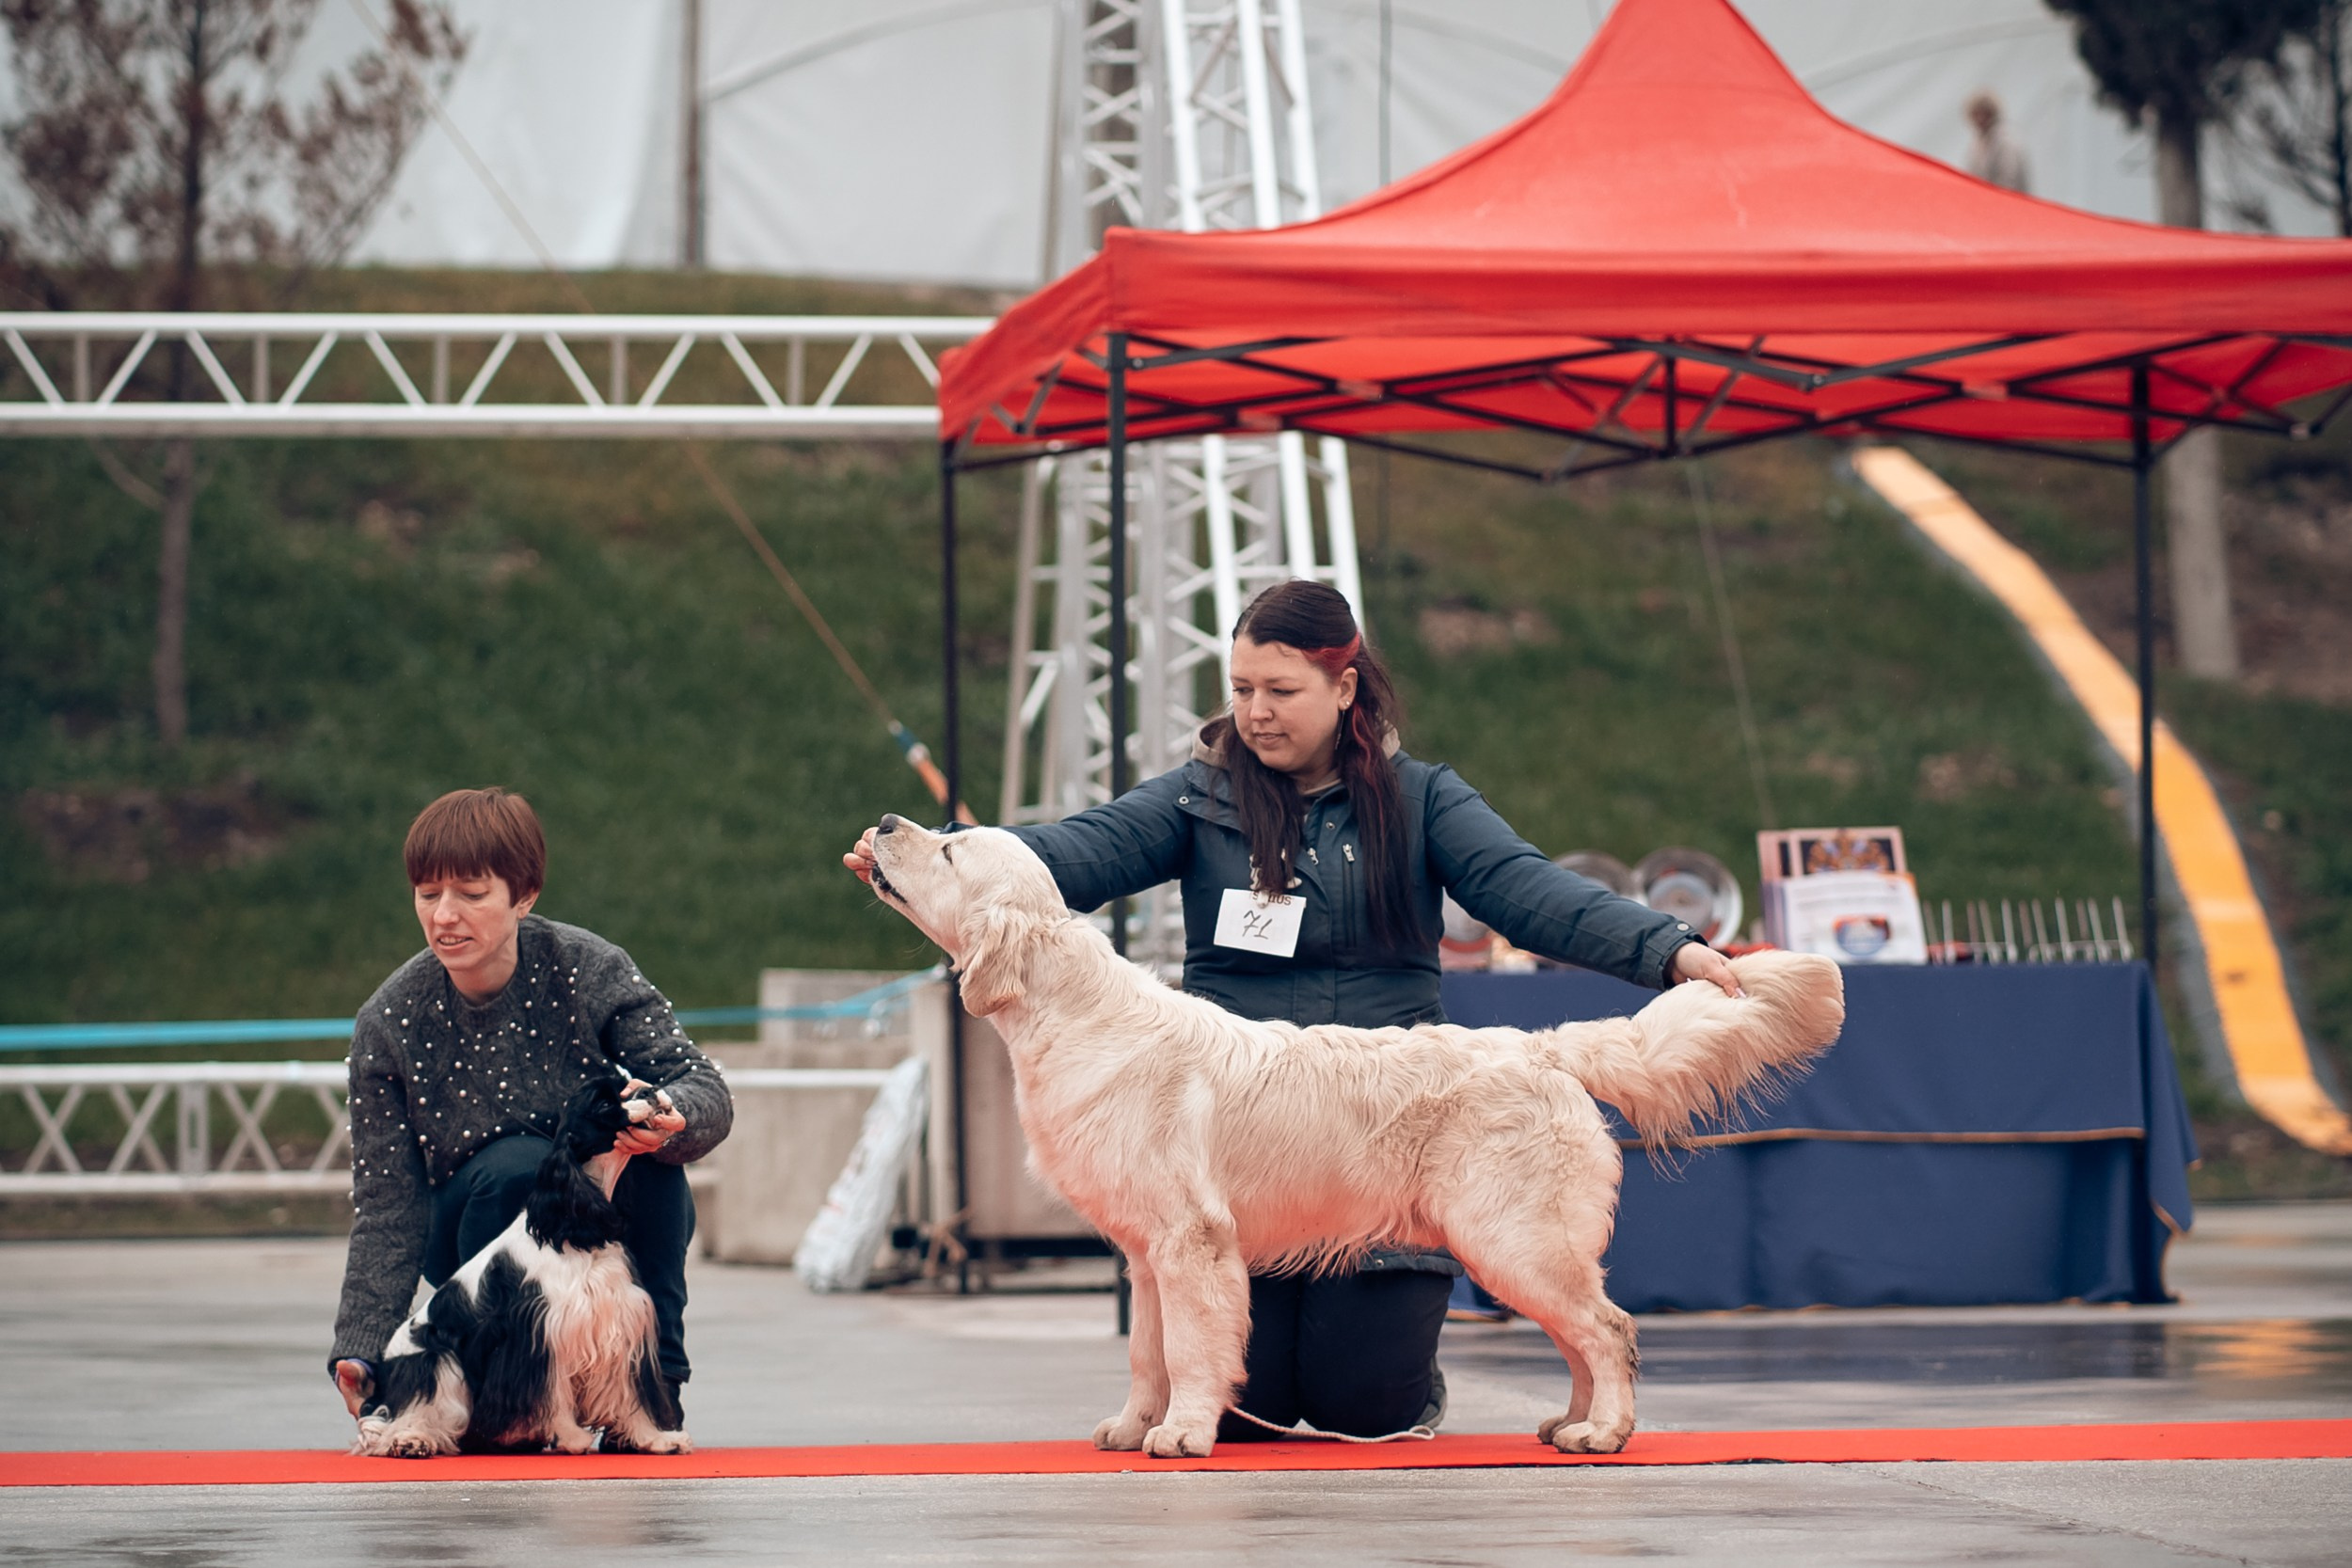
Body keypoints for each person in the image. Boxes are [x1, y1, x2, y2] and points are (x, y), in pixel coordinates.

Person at [846, 580, 1738, 1441]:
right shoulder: (1198, 797)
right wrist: (926, 865)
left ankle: (1436, 1367)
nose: (1256, 712)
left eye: (1280, 690)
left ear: (1344, 688)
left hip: (1393, 1118)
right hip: (1244, 1130)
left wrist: (1671, 948)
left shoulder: (1422, 799)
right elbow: (1070, 852)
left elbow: (1530, 890)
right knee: (1244, 1407)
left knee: (1364, 1403)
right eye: (1241, 690)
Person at [328, 788, 733, 1423]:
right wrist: (362, 1351)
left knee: (653, 1165)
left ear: (524, 895)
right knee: (515, 1165)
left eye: (471, 893)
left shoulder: (588, 967)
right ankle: (504, 1395)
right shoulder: (389, 1020)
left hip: (583, 1211)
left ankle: (655, 1388)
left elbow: (700, 1082)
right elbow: (386, 1203)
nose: (444, 915)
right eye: (428, 894)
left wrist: (671, 1114)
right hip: (473, 1229)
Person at [1964, 90, 2030, 196]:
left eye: (1984, 114)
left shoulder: (2004, 140)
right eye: (1977, 114)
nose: (1980, 119)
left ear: (1992, 114)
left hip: (2006, 198)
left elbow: (2008, 178)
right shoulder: (1977, 142)